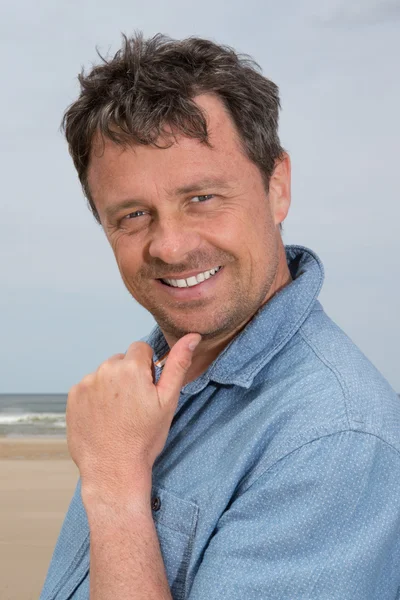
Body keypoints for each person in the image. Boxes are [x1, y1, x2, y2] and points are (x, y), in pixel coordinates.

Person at [40, 33, 400, 600]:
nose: (172, 248)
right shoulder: (144, 391)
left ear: (276, 187)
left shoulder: (332, 438)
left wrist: (114, 487)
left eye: (202, 197)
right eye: (133, 214)